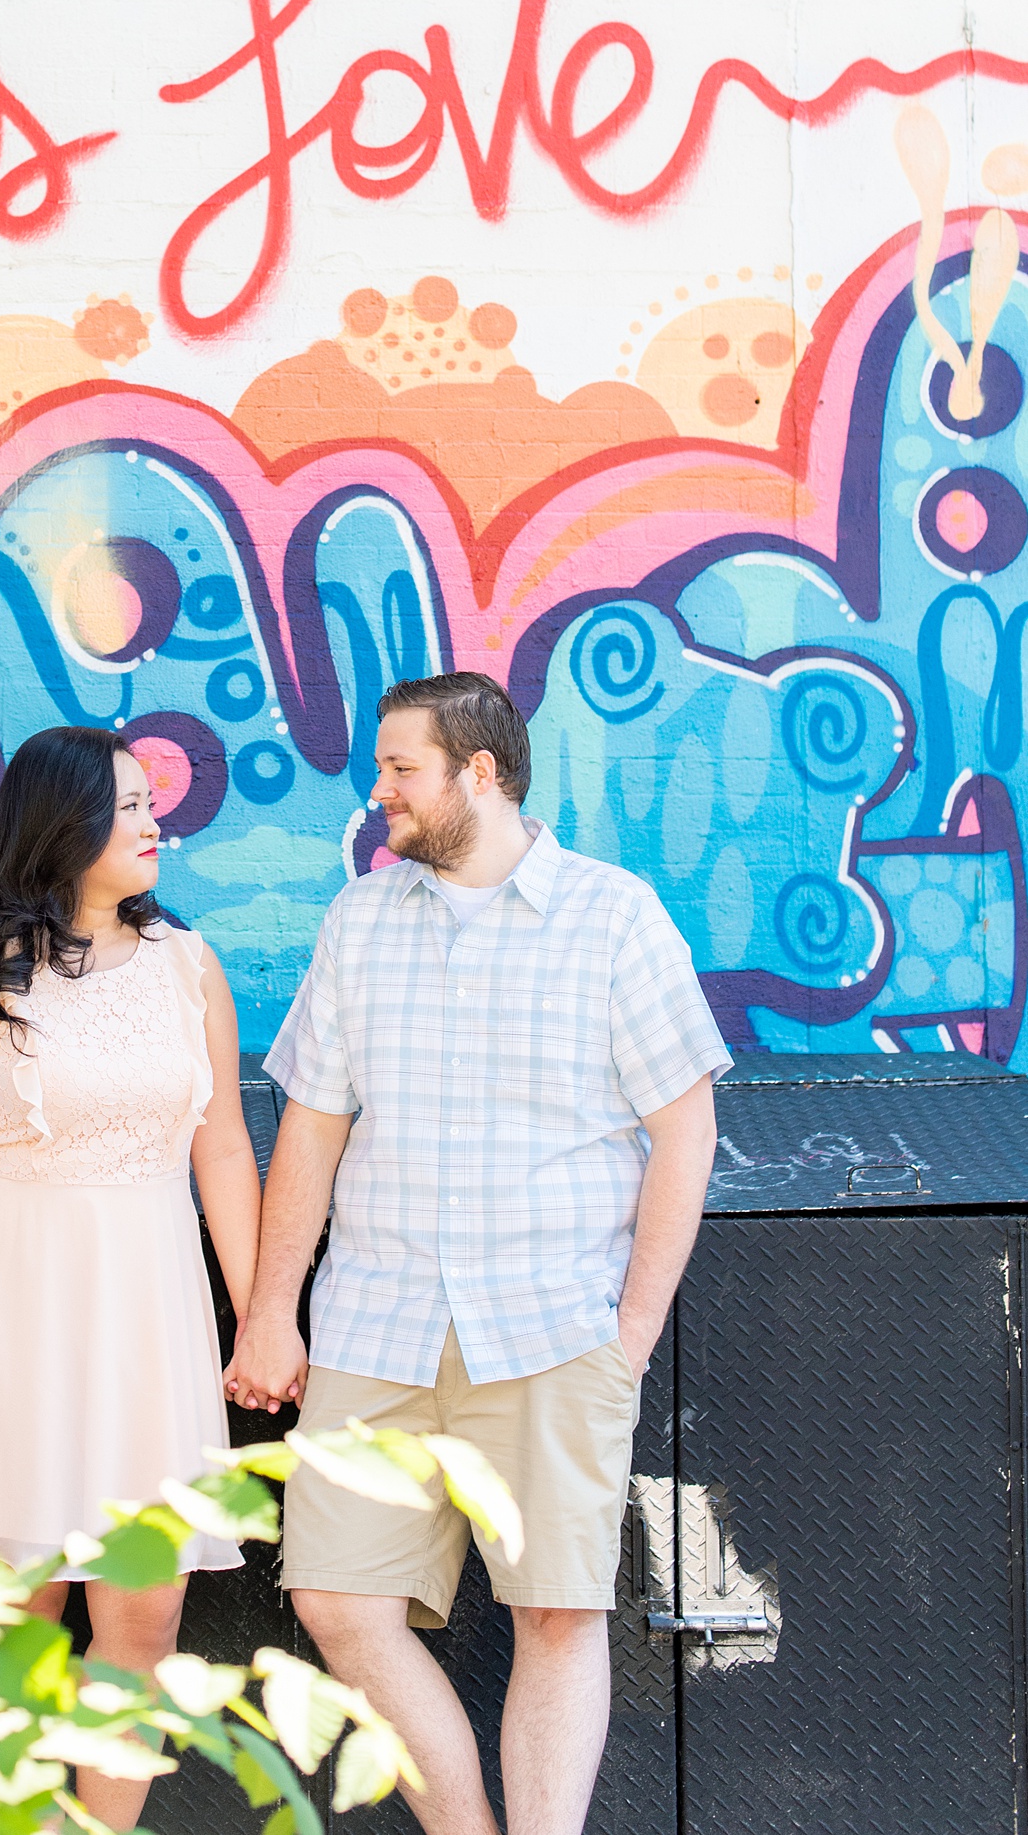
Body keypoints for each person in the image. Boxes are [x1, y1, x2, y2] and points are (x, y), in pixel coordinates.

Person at [225, 671, 730, 1835]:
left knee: (556, 1611)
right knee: (337, 1600)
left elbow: (683, 1131)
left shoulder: (612, 917)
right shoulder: (359, 919)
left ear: (479, 774)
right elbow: (311, 1121)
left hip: (551, 1323)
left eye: (400, 768)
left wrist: (630, 1336)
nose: (378, 790)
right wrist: (270, 1311)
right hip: (373, 1320)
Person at [0, 723, 263, 1834]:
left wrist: (259, 1320)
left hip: (150, 1305)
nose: (157, 823)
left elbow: (224, 1150)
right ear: (63, 829)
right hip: (10, 1302)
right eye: (132, 806)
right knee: (9, 1619)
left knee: (141, 1623)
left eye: (154, 804)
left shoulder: (189, 967)